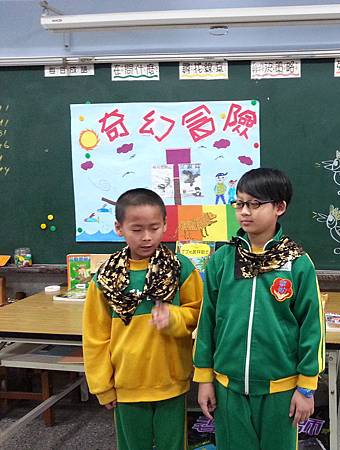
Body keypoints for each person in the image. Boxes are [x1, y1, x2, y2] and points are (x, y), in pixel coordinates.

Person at [193, 168, 324, 450]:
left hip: (280, 388)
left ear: (279, 207)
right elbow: (207, 322)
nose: (244, 212)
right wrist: (204, 378)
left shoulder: (297, 263)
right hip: (228, 387)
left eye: (254, 204)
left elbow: (312, 327)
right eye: (239, 203)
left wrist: (306, 387)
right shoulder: (223, 259)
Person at [83, 188, 203, 450]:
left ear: (165, 225)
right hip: (127, 384)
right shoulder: (105, 278)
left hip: (172, 382)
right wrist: (102, 386)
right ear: (119, 228)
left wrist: (174, 318)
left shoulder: (181, 268)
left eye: (154, 228)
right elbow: (95, 337)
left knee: (173, 444)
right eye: (137, 229)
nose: (147, 237)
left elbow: (199, 315)